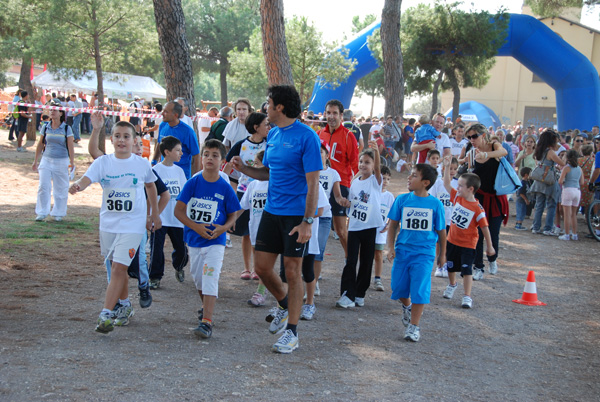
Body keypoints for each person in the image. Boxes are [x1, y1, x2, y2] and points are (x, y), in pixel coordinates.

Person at [231, 85, 322, 354]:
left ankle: (292, 333)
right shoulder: (272, 136)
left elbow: (313, 182)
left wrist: (307, 221)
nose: (265, 107)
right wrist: (244, 168)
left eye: (268, 103)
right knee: (261, 267)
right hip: (272, 211)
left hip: (296, 215)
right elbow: (268, 173)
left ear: (279, 107)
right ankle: (284, 304)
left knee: (292, 272)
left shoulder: (307, 137)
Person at [68, 120, 161, 333]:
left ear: (134, 140)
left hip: (133, 225)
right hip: (109, 224)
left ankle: (106, 313)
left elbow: (151, 186)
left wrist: (154, 214)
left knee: (120, 267)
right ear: (112, 139)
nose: (121, 140)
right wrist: (77, 187)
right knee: (119, 267)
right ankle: (126, 306)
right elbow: (86, 179)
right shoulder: (103, 162)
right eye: (117, 136)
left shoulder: (142, 164)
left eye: (126, 137)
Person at [174, 139, 241, 339]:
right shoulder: (193, 182)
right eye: (206, 154)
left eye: (214, 155)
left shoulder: (224, 186)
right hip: (194, 240)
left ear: (222, 161)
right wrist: (197, 228)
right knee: (199, 280)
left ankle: (207, 322)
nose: (209, 158)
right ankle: (206, 308)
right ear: (201, 157)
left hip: (215, 241)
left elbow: (233, 214)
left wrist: (223, 229)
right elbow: (179, 211)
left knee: (211, 277)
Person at [386, 164, 446, 342]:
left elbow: (442, 231)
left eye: (413, 176)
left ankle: (414, 326)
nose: (408, 178)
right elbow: (393, 225)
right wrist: (391, 247)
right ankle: (407, 306)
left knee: (419, 289)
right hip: (403, 251)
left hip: (424, 253)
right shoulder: (402, 200)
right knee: (398, 287)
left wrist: (442, 254)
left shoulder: (435, 204)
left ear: (425, 182)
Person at [441, 157, 494, 309]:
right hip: (452, 240)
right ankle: (452, 284)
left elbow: (485, 228)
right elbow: (446, 184)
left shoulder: (478, 209)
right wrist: (446, 168)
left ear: (471, 189)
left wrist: (489, 247)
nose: (457, 188)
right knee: (450, 267)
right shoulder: (457, 198)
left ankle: (467, 296)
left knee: (466, 270)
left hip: (468, 245)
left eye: (460, 186)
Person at [335, 144, 383, 309]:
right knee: (351, 259)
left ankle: (360, 293)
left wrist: (375, 151)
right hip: (354, 227)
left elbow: (377, 168)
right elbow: (352, 202)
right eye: (361, 161)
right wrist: (345, 203)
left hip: (370, 226)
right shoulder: (355, 182)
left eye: (367, 162)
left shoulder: (376, 181)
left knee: (366, 261)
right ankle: (347, 293)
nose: (363, 164)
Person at [224, 112, 268, 280]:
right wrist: (223, 184)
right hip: (244, 190)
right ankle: (247, 268)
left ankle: (259, 268)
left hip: (264, 191)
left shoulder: (269, 145)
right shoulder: (241, 145)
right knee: (246, 232)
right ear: (256, 127)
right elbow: (228, 167)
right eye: (266, 124)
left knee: (261, 231)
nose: (268, 127)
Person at [464, 123, 507, 280]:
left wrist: (487, 155)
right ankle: (478, 267)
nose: (472, 139)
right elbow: (470, 173)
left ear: (482, 135)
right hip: (479, 198)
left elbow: (504, 152)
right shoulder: (472, 153)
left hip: (495, 199)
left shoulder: (493, 144)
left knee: (494, 233)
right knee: (477, 234)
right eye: (469, 137)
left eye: (474, 136)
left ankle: (492, 260)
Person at [318, 99, 359, 259]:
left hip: (340, 186)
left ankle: (352, 262)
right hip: (319, 185)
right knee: (314, 226)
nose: (331, 116)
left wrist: (356, 189)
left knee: (341, 230)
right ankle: (313, 267)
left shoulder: (349, 136)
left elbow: (356, 165)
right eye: (328, 113)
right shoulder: (320, 134)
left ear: (341, 115)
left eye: (335, 113)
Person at [149, 136, 189, 288]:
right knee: (156, 249)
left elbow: (184, 193)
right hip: (160, 217)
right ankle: (155, 277)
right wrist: (152, 215)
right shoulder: (155, 170)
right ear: (167, 152)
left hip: (176, 218)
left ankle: (179, 266)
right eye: (178, 150)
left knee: (181, 249)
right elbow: (150, 194)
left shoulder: (179, 171)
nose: (181, 153)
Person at [32, 102, 75, 222]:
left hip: (62, 160)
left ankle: (58, 213)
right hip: (46, 159)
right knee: (43, 186)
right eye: (51, 110)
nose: (52, 112)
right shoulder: (46, 126)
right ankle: (41, 212)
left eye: (55, 110)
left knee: (61, 187)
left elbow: (71, 147)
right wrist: (36, 160)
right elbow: (41, 144)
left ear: (61, 113)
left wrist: (72, 162)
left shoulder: (67, 128)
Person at [241, 150, 270, 306]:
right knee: (259, 264)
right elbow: (243, 206)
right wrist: (232, 219)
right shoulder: (252, 185)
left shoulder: (274, 183)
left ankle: (261, 291)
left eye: (257, 164)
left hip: (270, 229)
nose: (254, 167)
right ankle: (266, 288)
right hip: (255, 228)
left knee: (265, 264)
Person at [530, 129, 566, 236]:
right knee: (551, 204)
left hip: (539, 180)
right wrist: (564, 155)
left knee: (539, 204)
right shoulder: (550, 152)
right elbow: (562, 163)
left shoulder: (538, 150)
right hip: (549, 180)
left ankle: (536, 227)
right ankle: (547, 228)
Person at [151, 101, 200, 180]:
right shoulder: (162, 125)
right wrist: (154, 161)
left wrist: (195, 178)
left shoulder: (187, 131)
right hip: (164, 174)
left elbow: (196, 155)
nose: (162, 114)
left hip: (182, 176)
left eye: (166, 112)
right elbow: (159, 144)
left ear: (175, 115)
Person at [429, 157, 459, 277]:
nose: (452, 171)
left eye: (455, 169)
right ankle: (439, 265)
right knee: (439, 243)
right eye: (450, 168)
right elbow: (432, 198)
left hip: (452, 220)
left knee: (449, 243)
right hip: (440, 219)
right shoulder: (437, 183)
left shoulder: (458, 183)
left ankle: (446, 264)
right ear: (443, 168)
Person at [373, 165, 395, 291]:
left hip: (381, 231)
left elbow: (392, 214)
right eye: (383, 178)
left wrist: (388, 225)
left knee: (378, 254)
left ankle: (377, 279)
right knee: (365, 254)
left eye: (388, 179)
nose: (385, 181)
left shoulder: (389, 196)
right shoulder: (373, 192)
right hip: (369, 229)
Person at [558, 150, 584, 241]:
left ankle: (567, 234)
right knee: (573, 214)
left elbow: (560, 181)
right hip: (577, 191)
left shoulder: (566, 168)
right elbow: (582, 182)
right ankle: (574, 234)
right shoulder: (579, 168)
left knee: (567, 214)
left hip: (568, 189)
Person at [578, 145, 595, 214]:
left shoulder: (578, 160)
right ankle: (586, 217)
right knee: (588, 202)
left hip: (579, 181)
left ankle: (574, 216)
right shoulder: (593, 161)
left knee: (578, 201)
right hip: (589, 182)